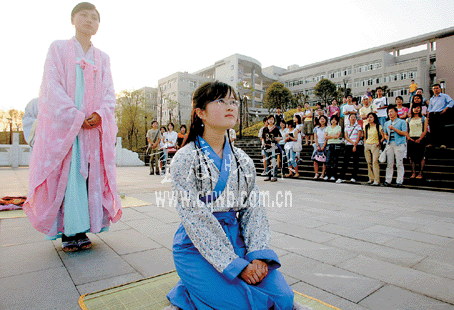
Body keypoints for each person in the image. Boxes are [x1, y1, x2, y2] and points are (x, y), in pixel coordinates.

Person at [165, 81, 296, 310]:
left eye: (233, 102)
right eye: (221, 101)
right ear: (200, 112)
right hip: (196, 245)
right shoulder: (185, 158)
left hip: (237, 240)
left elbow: (254, 210)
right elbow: (194, 217)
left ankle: (201, 288)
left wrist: (257, 255)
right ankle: (189, 288)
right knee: (240, 306)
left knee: (283, 299)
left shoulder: (243, 160)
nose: (230, 106)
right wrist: (236, 266)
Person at [23, 2, 122, 252]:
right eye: (84, 16)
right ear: (73, 20)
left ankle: (85, 228)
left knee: (89, 178)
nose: (89, 21)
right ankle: (69, 232)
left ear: (99, 25)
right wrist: (73, 115)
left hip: (92, 130)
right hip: (67, 128)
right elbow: (51, 86)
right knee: (67, 178)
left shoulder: (103, 58)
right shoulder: (58, 49)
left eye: (95, 18)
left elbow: (110, 92)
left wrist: (100, 114)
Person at [383, 107, 408, 187]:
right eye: (389, 112)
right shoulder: (387, 123)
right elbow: (385, 132)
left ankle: (399, 180)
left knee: (399, 163)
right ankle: (388, 180)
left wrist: (394, 128)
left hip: (399, 143)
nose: (390, 113)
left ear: (396, 112)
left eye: (391, 112)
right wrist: (386, 136)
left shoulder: (402, 122)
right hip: (390, 144)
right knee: (390, 163)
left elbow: (404, 133)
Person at [337, 114, 363, 183]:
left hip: (357, 145)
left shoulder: (358, 126)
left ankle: (354, 177)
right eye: (351, 117)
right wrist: (352, 142)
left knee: (355, 162)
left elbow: (359, 136)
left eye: (354, 117)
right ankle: (341, 177)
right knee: (345, 161)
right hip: (348, 145)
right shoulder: (347, 127)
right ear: (349, 119)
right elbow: (346, 136)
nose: (353, 118)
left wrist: (355, 145)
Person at [428, 83, 454, 148]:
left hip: (440, 114)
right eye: (434, 89)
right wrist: (428, 116)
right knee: (433, 130)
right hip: (432, 114)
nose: (436, 90)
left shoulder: (444, 96)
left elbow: (451, 102)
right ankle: (433, 144)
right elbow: (429, 108)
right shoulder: (432, 98)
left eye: (437, 88)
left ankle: (442, 144)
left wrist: (446, 109)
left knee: (441, 129)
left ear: (440, 89)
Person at [407, 103, 428, 179]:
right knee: (412, 157)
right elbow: (406, 130)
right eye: (414, 108)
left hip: (420, 138)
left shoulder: (423, 118)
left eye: (418, 108)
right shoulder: (409, 119)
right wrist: (409, 138)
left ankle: (420, 173)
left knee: (421, 156)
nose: (416, 109)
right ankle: (413, 172)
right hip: (411, 138)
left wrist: (420, 139)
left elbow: (425, 130)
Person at [364, 113, 384, 186]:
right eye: (368, 117)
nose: (369, 119)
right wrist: (365, 143)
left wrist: (379, 142)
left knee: (375, 162)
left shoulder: (378, 126)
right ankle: (371, 178)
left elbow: (383, 136)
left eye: (371, 117)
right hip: (367, 144)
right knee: (368, 162)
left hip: (375, 145)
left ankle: (376, 179)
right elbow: (365, 136)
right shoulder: (366, 126)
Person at [262, 115, 282, 182]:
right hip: (266, 146)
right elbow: (263, 138)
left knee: (273, 161)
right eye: (269, 119)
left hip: (273, 146)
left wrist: (277, 138)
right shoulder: (265, 129)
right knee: (267, 161)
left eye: (272, 119)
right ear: (267, 120)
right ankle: (268, 175)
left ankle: (274, 176)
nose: (271, 120)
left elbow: (281, 137)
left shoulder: (276, 129)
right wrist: (263, 143)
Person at [324, 115, 342, 181]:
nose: (333, 121)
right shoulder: (328, 128)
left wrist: (330, 136)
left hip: (336, 144)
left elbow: (337, 136)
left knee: (335, 160)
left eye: (335, 119)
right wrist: (333, 136)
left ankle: (333, 175)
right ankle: (327, 175)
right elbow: (325, 137)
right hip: (329, 144)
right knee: (328, 160)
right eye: (332, 119)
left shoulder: (338, 127)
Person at [312, 115, 328, 179]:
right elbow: (315, 137)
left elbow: (327, 138)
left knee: (324, 160)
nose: (322, 120)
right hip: (317, 145)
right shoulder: (316, 128)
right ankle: (316, 173)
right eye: (321, 119)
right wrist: (317, 145)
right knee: (315, 160)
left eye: (323, 119)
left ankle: (323, 174)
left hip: (325, 145)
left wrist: (323, 146)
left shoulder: (327, 128)